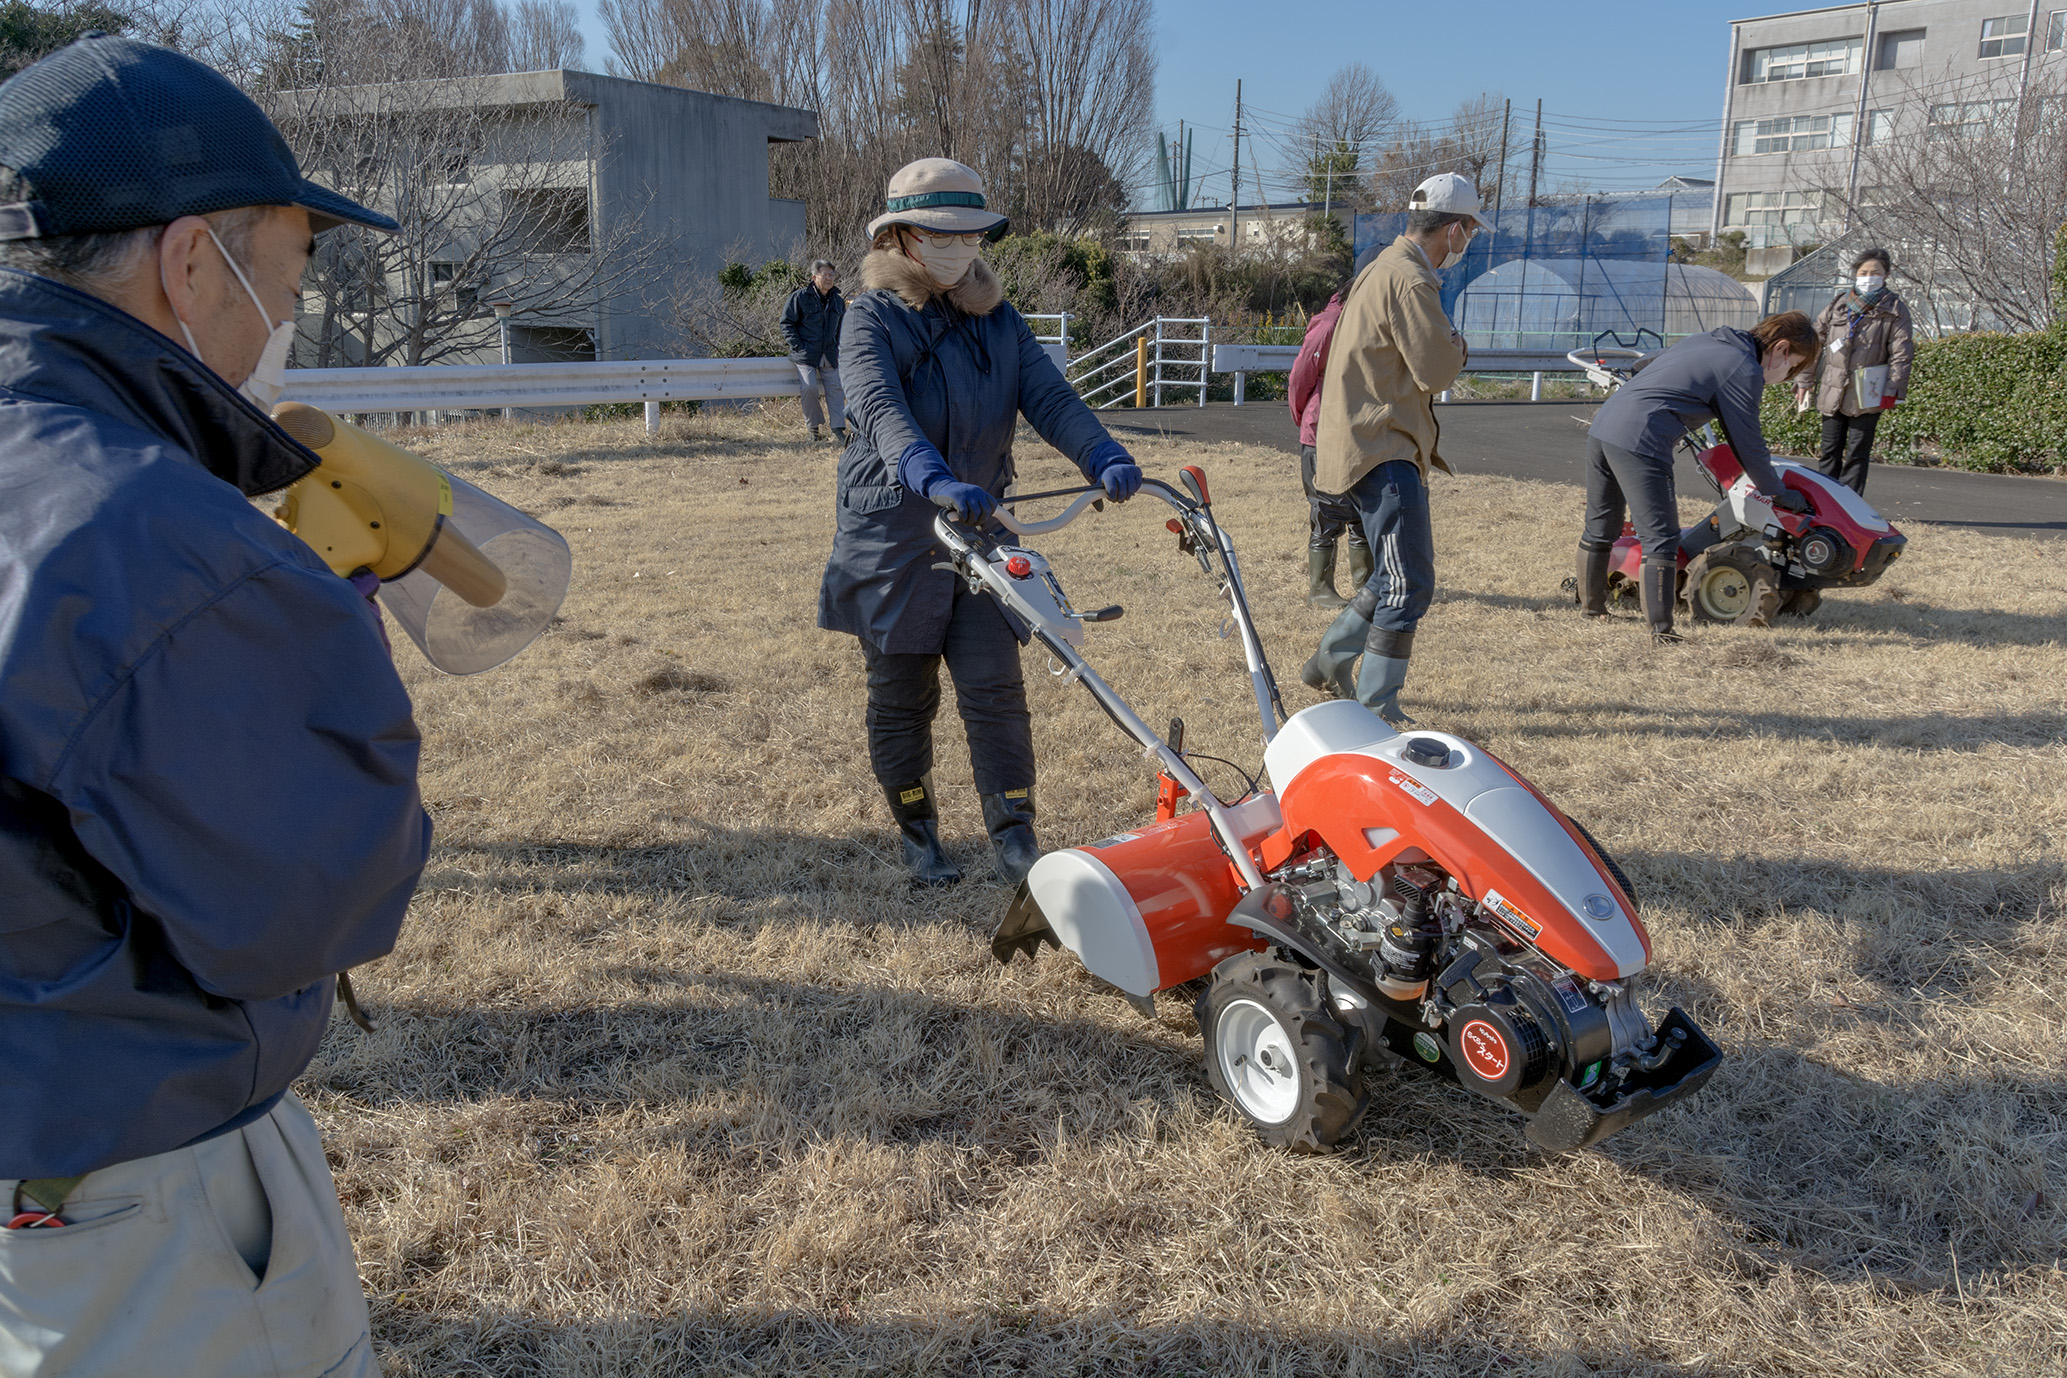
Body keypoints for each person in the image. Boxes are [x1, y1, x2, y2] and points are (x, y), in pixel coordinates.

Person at [0, 36, 428, 1376]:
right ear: (193, 264)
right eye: (288, 274)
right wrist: (316, 615)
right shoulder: (154, 535)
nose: (283, 316)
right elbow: (320, 895)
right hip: (124, 1188)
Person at [818, 157, 1141, 888]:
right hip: (894, 534)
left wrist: (1101, 453)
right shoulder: (869, 315)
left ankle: (1015, 834)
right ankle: (917, 832)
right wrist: (930, 477)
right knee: (902, 693)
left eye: (970, 235)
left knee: (995, 685)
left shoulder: (996, 318)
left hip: (984, 525)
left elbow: (1048, 397)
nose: (959, 248)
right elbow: (877, 410)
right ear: (901, 237)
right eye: (941, 233)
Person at [1300, 172, 1483, 726]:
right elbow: (1435, 367)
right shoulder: (1411, 278)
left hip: (1357, 444)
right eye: (1470, 229)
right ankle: (1376, 708)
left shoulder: (1379, 267)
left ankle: (1328, 662)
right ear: (1453, 229)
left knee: (1391, 573)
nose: (1469, 240)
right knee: (1411, 582)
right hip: (1383, 447)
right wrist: (1460, 345)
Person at [1575, 313, 1819, 642]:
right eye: (1794, 366)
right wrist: (1776, 492)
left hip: (1605, 425)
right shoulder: (1743, 368)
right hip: (1642, 438)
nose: (1789, 375)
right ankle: (1662, 632)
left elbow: (1645, 364)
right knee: (1660, 537)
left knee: (1601, 523)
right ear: (1782, 348)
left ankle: (1592, 610)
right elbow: (1748, 444)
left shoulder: (1712, 339)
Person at [1287, 281, 1373, 610]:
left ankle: (1366, 583)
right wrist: (1305, 416)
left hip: (1359, 429)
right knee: (1326, 508)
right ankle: (1320, 588)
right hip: (1323, 429)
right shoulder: (1331, 322)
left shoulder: (1370, 317)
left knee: (1363, 510)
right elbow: (1300, 376)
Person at [1800, 247, 1912, 495]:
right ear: (1855, 274)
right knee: (1829, 450)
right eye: (1863, 272)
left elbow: (1902, 353)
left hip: (1868, 391)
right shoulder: (1838, 305)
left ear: (1886, 274)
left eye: (1875, 272)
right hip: (1832, 387)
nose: (1869, 276)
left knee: (1857, 453)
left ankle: (1849, 504)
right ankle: (1824, 500)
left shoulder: (1894, 309)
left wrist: (1892, 389)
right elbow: (1813, 343)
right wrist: (1804, 380)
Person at [782, 257, 848, 442]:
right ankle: (814, 429)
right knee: (809, 387)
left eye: (831, 274)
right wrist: (798, 345)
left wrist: (838, 347)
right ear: (814, 277)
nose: (829, 278)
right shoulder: (800, 297)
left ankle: (838, 429)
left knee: (836, 388)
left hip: (830, 354)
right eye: (824, 274)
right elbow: (786, 323)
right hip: (806, 354)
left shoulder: (837, 300)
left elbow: (842, 328)